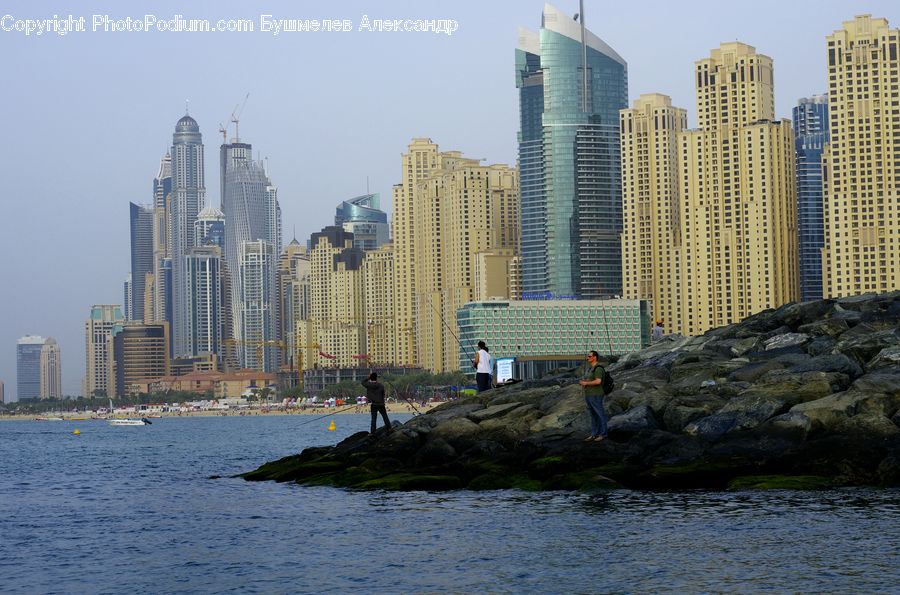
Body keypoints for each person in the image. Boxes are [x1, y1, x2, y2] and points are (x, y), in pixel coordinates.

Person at [579, 350, 608, 442]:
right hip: (589, 395)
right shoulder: (591, 368)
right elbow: (592, 380)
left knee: (600, 414)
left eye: (589, 356)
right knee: (593, 415)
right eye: (587, 356)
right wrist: (585, 382)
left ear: (595, 357)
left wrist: (586, 383)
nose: (587, 358)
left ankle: (603, 434)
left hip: (596, 395)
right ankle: (594, 434)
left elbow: (598, 381)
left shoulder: (598, 368)